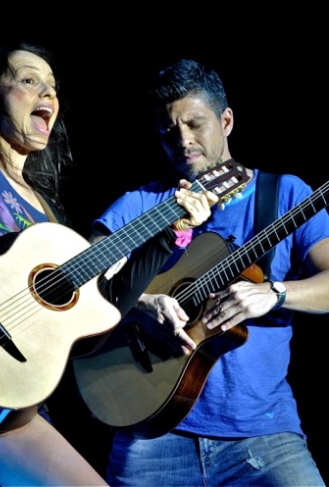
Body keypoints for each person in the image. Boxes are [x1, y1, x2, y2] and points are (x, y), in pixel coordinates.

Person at [0, 0, 218, 486]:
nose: (47, 95)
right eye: (29, 81)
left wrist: (169, 230)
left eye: (53, 86)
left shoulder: (50, 222)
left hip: (9, 405)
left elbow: (105, 308)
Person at [86, 58, 329, 486]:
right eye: (168, 131)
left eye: (195, 124)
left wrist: (275, 292)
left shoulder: (286, 193)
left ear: (227, 120)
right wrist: (142, 305)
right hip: (151, 432)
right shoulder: (142, 202)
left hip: (264, 432)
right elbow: (84, 279)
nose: (182, 140)